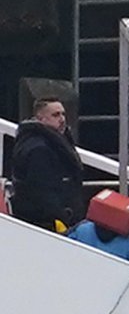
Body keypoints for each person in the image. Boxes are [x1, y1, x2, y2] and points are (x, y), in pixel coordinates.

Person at [9, 97, 84, 232]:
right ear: (41, 119)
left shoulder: (42, 142)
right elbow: (42, 190)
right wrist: (62, 217)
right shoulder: (39, 149)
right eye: (55, 115)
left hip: (49, 218)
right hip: (45, 223)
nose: (62, 119)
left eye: (63, 114)